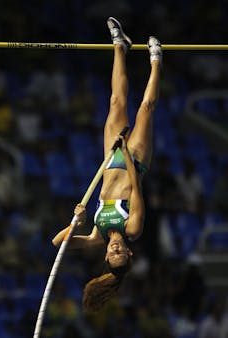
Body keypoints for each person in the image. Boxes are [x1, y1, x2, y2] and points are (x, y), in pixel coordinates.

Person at [52, 17, 162, 312]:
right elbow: (137, 189)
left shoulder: (97, 235)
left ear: (106, 257)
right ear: (128, 252)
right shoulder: (132, 228)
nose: (115, 251)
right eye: (120, 254)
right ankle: (156, 61)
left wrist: (76, 221)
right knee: (145, 110)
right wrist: (125, 152)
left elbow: (57, 243)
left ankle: (119, 46)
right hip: (133, 161)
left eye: (111, 255)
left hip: (109, 157)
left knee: (115, 101)